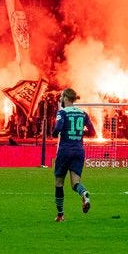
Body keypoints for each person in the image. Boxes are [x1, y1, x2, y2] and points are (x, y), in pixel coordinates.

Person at [52, 87, 95, 222]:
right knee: (75, 183)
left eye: (61, 97)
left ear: (65, 98)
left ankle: (60, 214)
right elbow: (92, 132)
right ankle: (84, 193)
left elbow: (58, 128)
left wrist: (54, 133)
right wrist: (80, 134)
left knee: (59, 182)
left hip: (65, 150)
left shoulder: (62, 112)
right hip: (79, 150)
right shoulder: (83, 113)